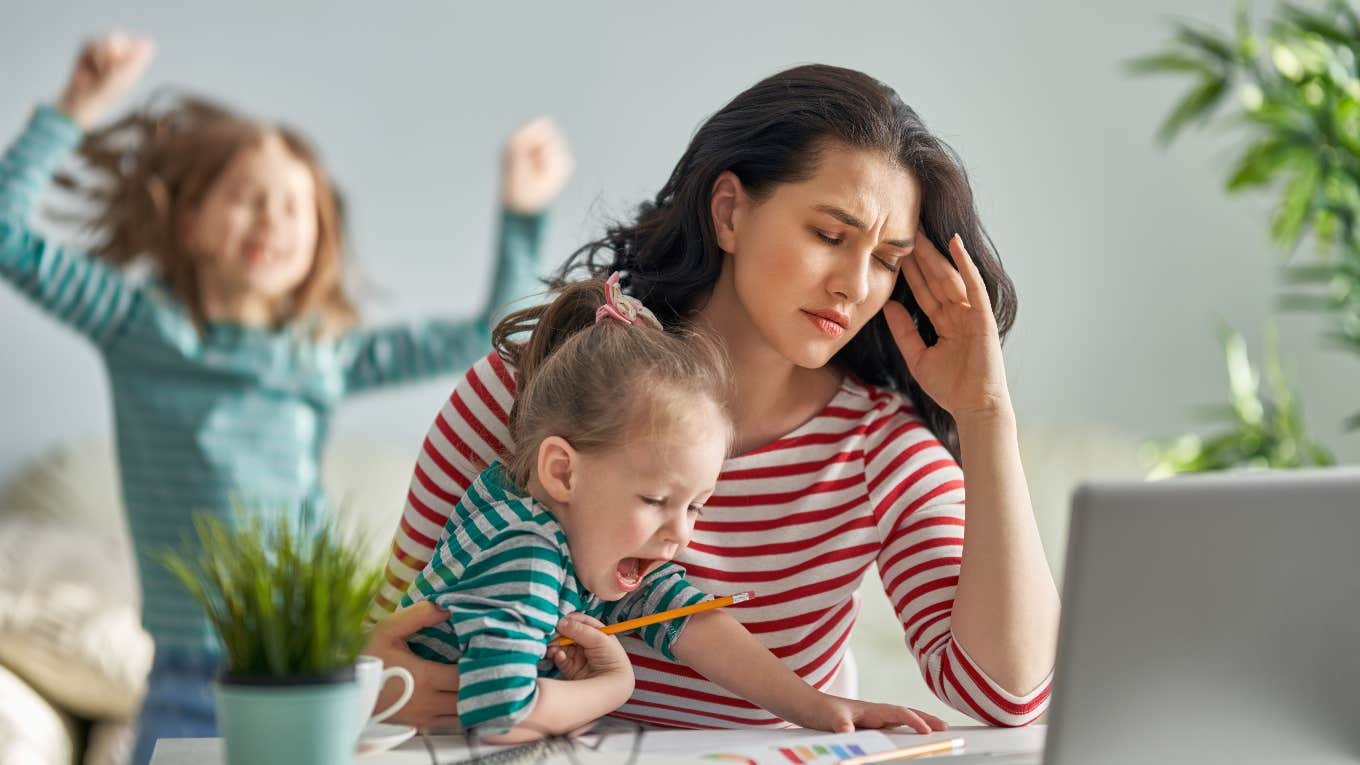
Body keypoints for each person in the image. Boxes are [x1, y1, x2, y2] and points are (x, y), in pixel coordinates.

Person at [366, 63, 1059, 730]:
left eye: (886, 260)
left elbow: (1006, 694)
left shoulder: (879, 450)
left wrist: (985, 414)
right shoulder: (534, 387)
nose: (854, 284)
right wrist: (381, 685)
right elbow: (380, 631)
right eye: (829, 234)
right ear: (728, 212)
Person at [0, 32, 570, 762]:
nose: (271, 218)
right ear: (192, 221)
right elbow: (13, 239)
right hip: (187, 671)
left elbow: (485, 334)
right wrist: (75, 107)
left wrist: (522, 213)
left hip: (314, 662)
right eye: (247, 197)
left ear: (318, 240)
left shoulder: (318, 355)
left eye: (294, 207)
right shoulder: (137, 327)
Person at [401, 274, 946, 738]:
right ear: (562, 471)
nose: (679, 536)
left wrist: (819, 707)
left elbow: (687, 617)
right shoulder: (526, 554)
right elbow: (500, 714)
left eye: (695, 507)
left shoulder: (573, 533)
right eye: (657, 500)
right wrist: (613, 687)